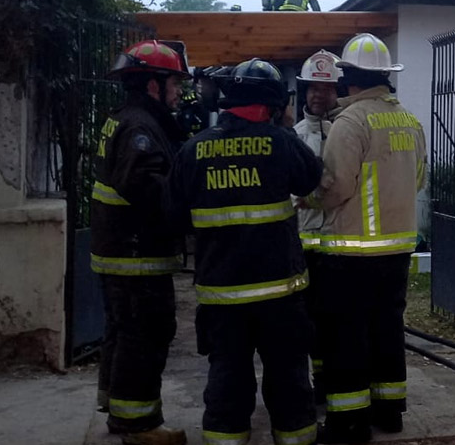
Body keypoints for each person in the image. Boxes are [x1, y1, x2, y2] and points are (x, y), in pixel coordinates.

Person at [169, 58, 324, 445]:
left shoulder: (193, 150)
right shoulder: (282, 141)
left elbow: (173, 215)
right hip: (279, 293)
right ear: (272, 104)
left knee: (227, 376)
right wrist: (284, 129)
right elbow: (311, 178)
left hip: (221, 294)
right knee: (289, 377)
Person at [317, 33, 426, 444]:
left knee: (347, 336)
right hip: (397, 249)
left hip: (352, 252)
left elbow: (335, 186)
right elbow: (417, 179)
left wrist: (307, 197)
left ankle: (349, 422)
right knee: (386, 330)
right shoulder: (409, 121)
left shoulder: (351, 122)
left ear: (350, 78)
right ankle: (390, 411)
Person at [90, 40, 190, 445]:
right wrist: (187, 203)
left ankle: (117, 409)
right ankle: (139, 425)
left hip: (117, 250)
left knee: (122, 330)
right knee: (146, 332)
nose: (178, 92)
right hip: (136, 253)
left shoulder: (123, 118)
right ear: (153, 84)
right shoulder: (141, 129)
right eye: (174, 83)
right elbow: (146, 189)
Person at [293, 49, 343, 402]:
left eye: (324, 89)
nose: (317, 94)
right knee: (307, 322)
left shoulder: (348, 130)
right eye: (312, 87)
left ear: (337, 91)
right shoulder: (294, 136)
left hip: (339, 244)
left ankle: (335, 381)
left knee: (336, 320)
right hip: (303, 246)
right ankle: (318, 379)